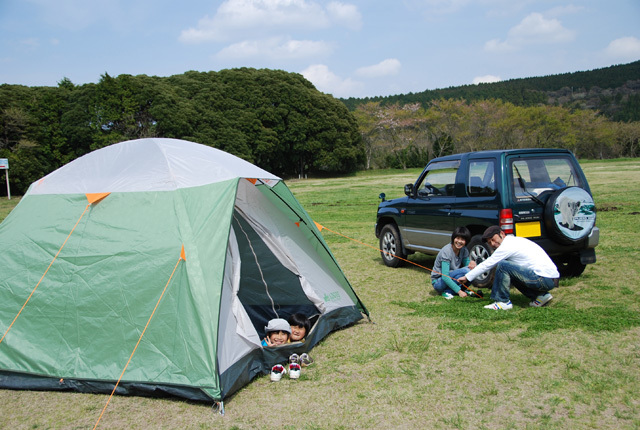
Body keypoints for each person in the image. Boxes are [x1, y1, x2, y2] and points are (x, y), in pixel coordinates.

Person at [457, 225, 559, 310]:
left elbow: (488, 263)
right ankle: (540, 296)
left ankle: (503, 301)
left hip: (543, 278)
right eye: (489, 242)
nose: (492, 244)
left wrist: (467, 277)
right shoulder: (514, 241)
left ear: (502, 234)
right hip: (549, 279)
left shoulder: (506, 246)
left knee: (503, 265)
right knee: (511, 272)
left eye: (493, 239)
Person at [431, 227, 477, 299]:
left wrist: (472, 263)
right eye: (457, 238)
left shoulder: (464, 250)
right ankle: (452, 291)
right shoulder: (447, 251)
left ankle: (454, 290)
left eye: (462, 239)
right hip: (439, 282)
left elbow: (468, 265)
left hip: (452, 276)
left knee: (473, 271)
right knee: (466, 271)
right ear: (453, 238)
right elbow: (445, 276)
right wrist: (459, 292)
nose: (459, 241)